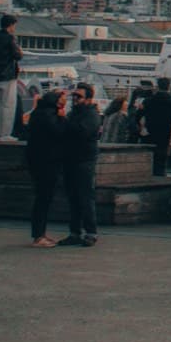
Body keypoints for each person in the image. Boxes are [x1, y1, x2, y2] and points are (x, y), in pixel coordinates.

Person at [61, 81, 101, 246]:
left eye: (79, 96)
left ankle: (91, 232)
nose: (75, 99)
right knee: (73, 198)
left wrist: (64, 122)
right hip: (71, 159)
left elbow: (81, 132)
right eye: (74, 96)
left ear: (89, 99)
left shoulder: (91, 115)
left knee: (85, 197)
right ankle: (75, 232)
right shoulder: (74, 113)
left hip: (84, 160)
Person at [26, 89, 67, 246]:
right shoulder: (49, 115)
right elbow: (58, 132)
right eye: (64, 98)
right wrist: (62, 119)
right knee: (44, 197)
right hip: (46, 161)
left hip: (38, 159)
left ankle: (40, 234)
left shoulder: (39, 112)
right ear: (57, 101)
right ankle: (39, 235)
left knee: (43, 197)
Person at [0, 14, 24, 140]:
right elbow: (18, 56)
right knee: (8, 105)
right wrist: (20, 51)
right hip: (8, 76)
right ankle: (5, 134)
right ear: (11, 25)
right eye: (14, 25)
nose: (15, 28)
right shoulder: (10, 38)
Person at [141, 77, 171, 176]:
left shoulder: (148, 101)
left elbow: (139, 116)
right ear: (169, 87)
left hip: (149, 135)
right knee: (161, 164)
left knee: (148, 164)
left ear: (157, 87)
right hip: (165, 136)